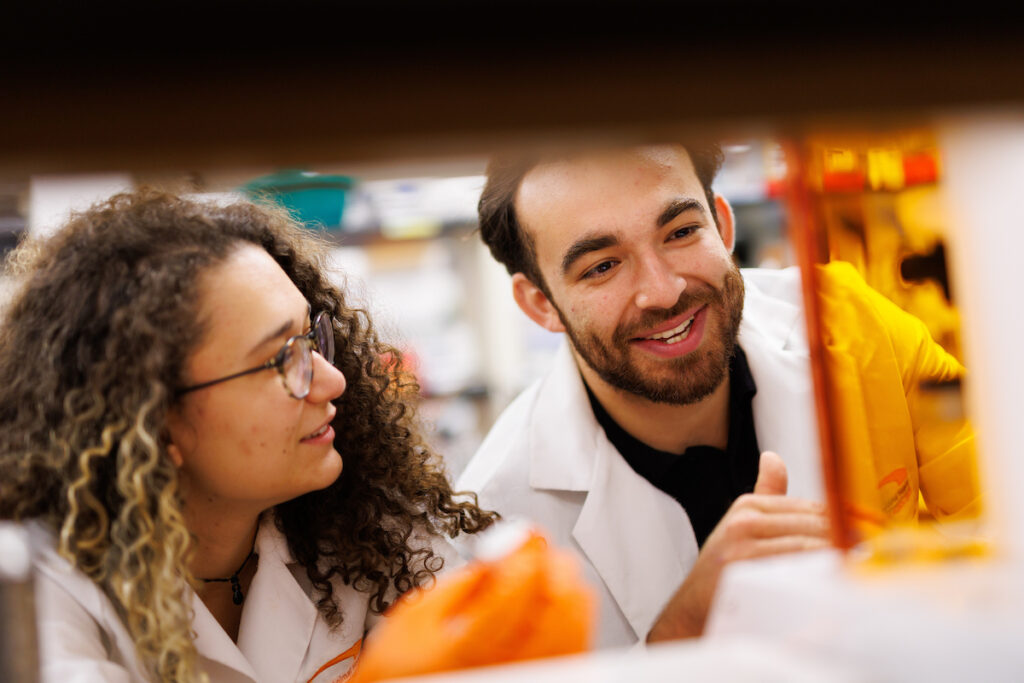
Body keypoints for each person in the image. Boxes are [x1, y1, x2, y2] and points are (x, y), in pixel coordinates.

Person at [456, 142, 981, 649]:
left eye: (681, 231)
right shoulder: (490, 517)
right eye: (602, 266)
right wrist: (681, 632)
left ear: (722, 225)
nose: (664, 291)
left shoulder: (858, 329)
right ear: (540, 303)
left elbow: (1002, 522)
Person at [0, 190, 496, 682]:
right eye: (282, 359)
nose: (333, 380)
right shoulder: (42, 591)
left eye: (310, 338)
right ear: (150, 416)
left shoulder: (366, 526)